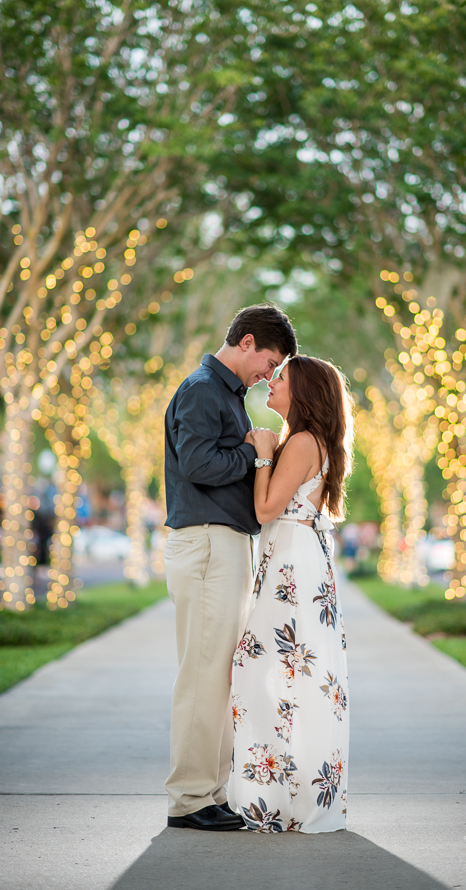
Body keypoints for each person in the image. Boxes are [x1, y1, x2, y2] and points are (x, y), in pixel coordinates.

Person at [163, 304, 298, 831]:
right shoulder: (201, 390)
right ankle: (189, 799)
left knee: (218, 675)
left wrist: (249, 448)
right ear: (246, 342)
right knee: (201, 674)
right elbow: (198, 465)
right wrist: (254, 453)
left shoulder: (226, 395)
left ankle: (210, 792)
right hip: (205, 544)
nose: (269, 376)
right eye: (268, 362)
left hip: (222, 544)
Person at [228, 355, 354, 833]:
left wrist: (263, 451)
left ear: (304, 392)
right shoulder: (306, 441)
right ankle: (287, 794)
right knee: (291, 678)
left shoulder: (301, 442)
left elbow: (264, 509)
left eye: (281, 377)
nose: (271, 381)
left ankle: (276, 800)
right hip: (297, 560)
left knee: (261, 669)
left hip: (292, 568)